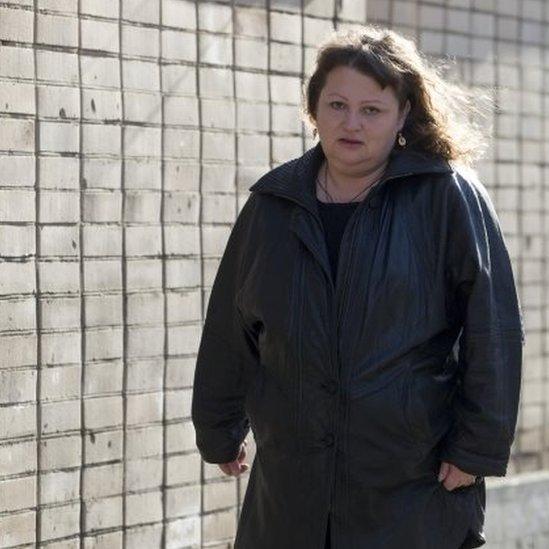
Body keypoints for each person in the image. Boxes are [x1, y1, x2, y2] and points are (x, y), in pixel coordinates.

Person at [191, 26, 524, 549]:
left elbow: (493, 327)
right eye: (337, 104)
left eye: (371, 109)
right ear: (314, 108)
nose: (351, 123)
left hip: (410, 476)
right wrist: (217, 426)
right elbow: (231, 325)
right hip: (292, 480)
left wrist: (476, 448)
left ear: (403, 114)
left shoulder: (446, 196)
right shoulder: (273, 204)